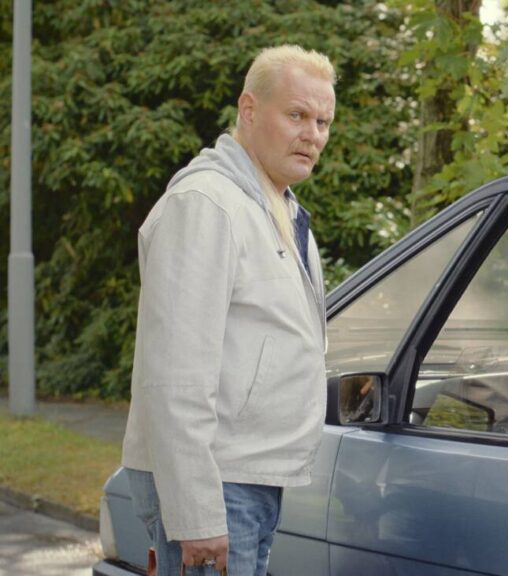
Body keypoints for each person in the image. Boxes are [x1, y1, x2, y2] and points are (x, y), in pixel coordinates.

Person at [120, 45, 336, 575]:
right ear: (248, 110)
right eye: (298, 115)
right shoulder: (206, 204)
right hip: (215, 482)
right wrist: (196, 511)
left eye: (324, 121)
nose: (313, 134)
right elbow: (174, 374)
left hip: (248, 476)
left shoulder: (278, 207)